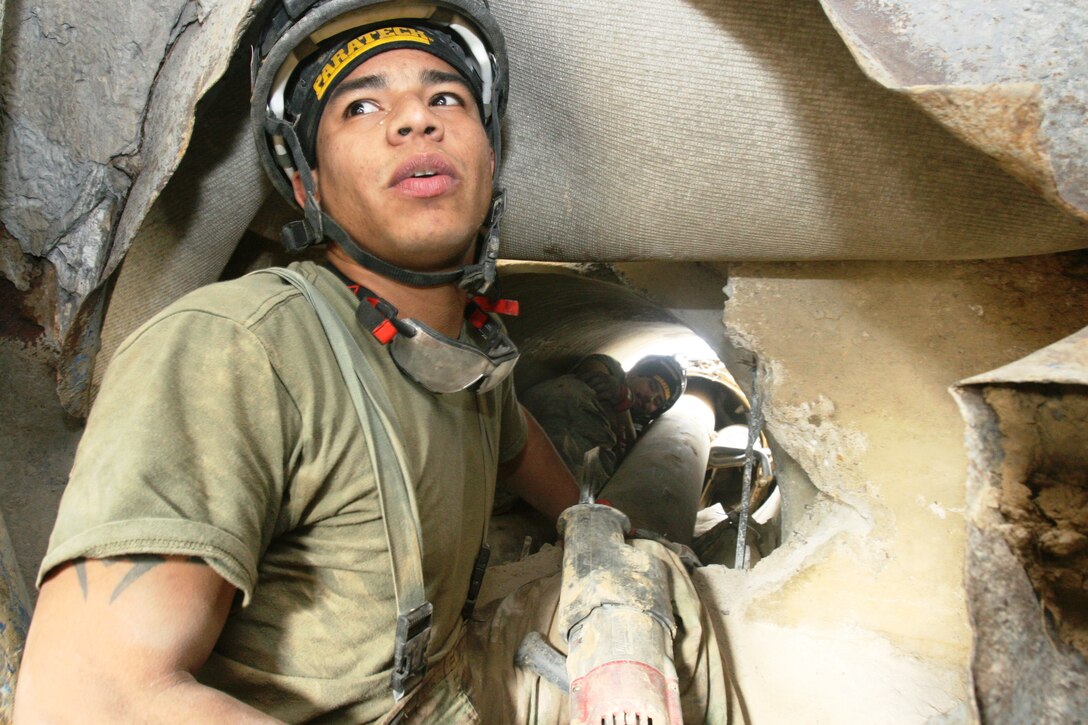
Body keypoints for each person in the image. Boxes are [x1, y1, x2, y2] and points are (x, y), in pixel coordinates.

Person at [14, 1, 724, 722]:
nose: (415, 119)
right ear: (306, 185)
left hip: (453, 679)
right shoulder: (235, 349)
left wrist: (594, 521)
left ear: (487, 154)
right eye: (359, 107)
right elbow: (86, 697)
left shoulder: (466, 358)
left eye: (445, 97)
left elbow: (513, 444)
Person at [522, 353, 687, 491]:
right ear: (636, 373)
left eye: (657, 402)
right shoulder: (615, 373)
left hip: (574, 479)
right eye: (652, 386)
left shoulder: (640, 434)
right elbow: (595, 368)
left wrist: (624, 416)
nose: (649, 399)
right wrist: (622, 399)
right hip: (537, 436)